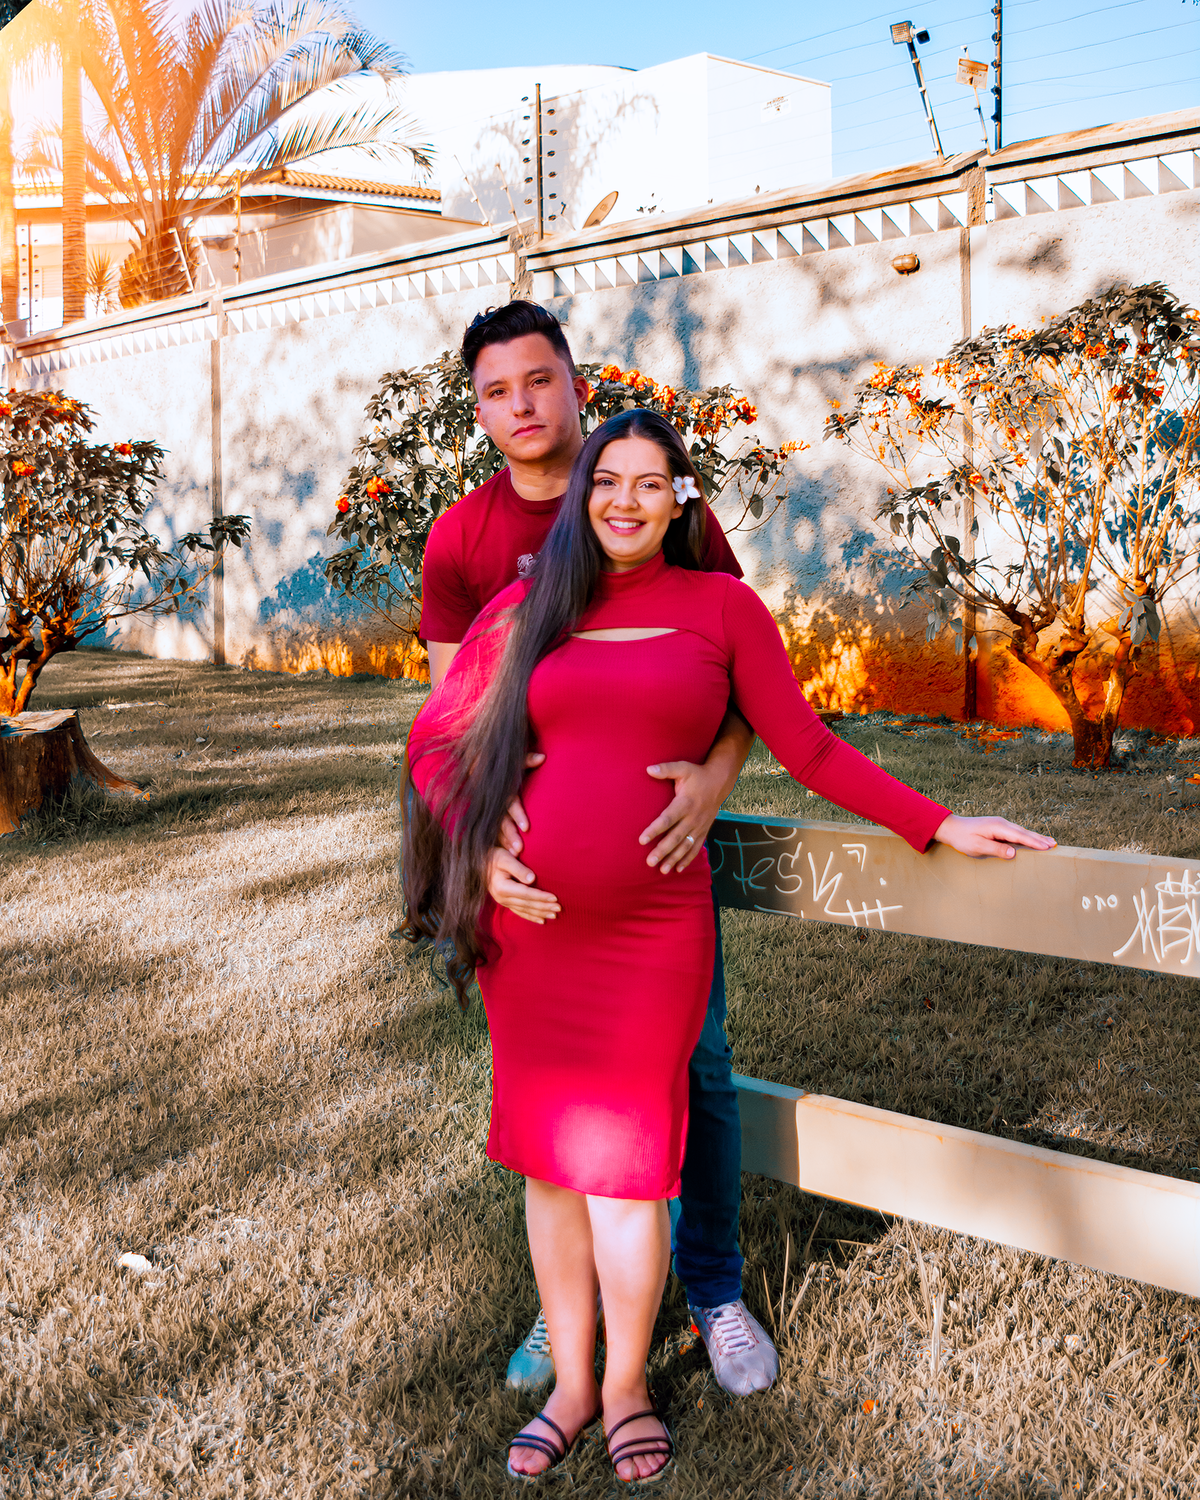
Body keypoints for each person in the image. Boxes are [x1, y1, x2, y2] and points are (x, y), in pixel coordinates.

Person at [402, 409, 1055, 1483]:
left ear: (681, 500)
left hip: (652, 939)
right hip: (532, 936)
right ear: (583, 494)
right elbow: (436, 741)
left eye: (648, 483)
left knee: (627, 1168)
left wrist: (935, 822)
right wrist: (478, 845)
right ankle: (571, 1386)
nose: (623, 501)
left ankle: (624, 1387)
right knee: (551, 1169)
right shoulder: (528, 608)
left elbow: (808, 747)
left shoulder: (722, 608)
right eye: (606, 481)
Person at [420, 300, 778, 1399]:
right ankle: (570, 1312)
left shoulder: (653, 486)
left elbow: (739, 669)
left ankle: (710, 1286)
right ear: (478, 411)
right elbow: (449, 722)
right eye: (497, 391)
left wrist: (716, 777)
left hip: (655, 882)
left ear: (576, 383)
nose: (522, 405)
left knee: (697, 1069)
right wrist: (481, 836)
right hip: (534, 892)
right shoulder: (463, 540)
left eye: (540, 379)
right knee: (556, 1109)